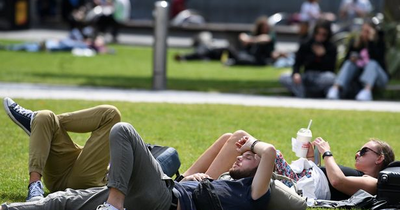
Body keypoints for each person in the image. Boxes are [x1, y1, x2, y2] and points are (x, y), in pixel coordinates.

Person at [0, 124, 275, 210]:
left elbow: (270, 152)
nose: (242, 156)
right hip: (159, 192)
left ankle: (113, 206)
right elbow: (232, 139)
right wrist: (200, 178)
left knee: (122, 130)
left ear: (257, 173)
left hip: (164, 198)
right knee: (64, 200)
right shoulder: (219, 185)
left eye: (249, 158)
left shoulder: (252, 193)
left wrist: (253, 143)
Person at [2, 97, 121, 201]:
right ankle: (35, 186)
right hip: (58, 176)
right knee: (45, 115)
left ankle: (38, 124)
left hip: (90, 179)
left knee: (112, 114)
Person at [327, 19, 388, 101]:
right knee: (349, 63)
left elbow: (377, 59)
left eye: (368, 31)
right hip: (360, 77)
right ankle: (335, 89)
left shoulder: (379, 43)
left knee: (372, 63)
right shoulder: (356, 45)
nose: (364, 34)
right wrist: (352, 58)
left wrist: (370, 42)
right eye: (363, 30)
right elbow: (344, 62)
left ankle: (367, 92)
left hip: (379, 78)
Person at [280, 19, 337, 98]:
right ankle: (302, 95)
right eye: (318, 33)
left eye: (323, 34)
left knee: (331, 78)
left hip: (321, 77)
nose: (320, 37)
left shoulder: (331, 47)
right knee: (284, 76)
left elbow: (331, 68)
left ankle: (305, 94)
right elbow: (297, 63)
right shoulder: (306, 43)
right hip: (307, 76)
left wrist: (323, 55)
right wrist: (296, 73)